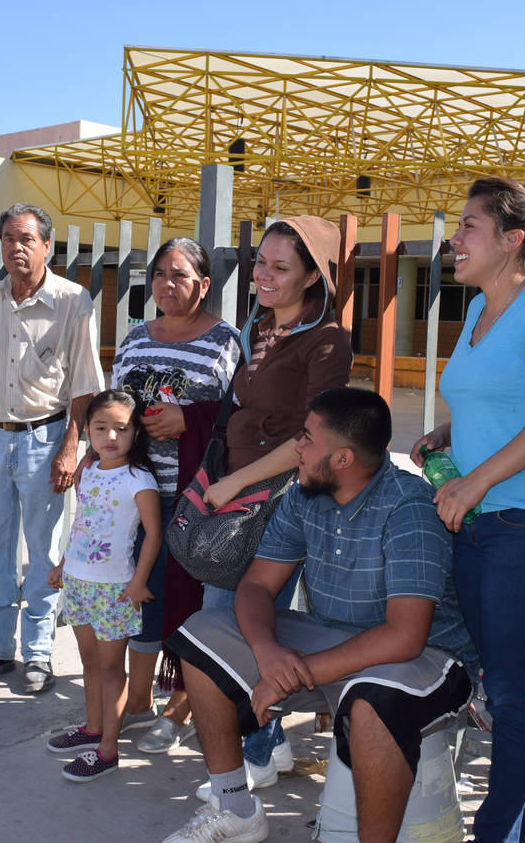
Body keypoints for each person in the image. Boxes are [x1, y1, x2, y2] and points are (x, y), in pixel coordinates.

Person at [162, 388, 477, 843]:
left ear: (343, 459)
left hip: (425, 659)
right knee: (201, 635)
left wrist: (296, 673)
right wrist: (268, 653)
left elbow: (405, 636)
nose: (298, 449)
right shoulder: (303, 495)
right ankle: (234, 807)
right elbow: (256, 586)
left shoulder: (408, 507)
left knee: (372, 703)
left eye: (307, 439)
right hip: (335, 641)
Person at [410, 174, 525, 843]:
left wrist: (476, 481)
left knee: (513, 691)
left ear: (513, 240)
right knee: (509, 688)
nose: (455, 239)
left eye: (469, 226)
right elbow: (503, 400)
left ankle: (502, 831)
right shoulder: (480, 309)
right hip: (478, 522)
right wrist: (449, 434)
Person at [198, 215, 353, 787]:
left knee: (235, 621)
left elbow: (314, 436)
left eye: (280, 267)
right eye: (261, 262)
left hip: (280, 500)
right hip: (241, 493)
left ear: (313, 277)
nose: (263, 274)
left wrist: (236, 483)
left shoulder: (327, 341)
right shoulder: (258, 328)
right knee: (234, 621)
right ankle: (268, 742)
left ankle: (257, 752)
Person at [0, 202, 104, 691]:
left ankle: (38, 654)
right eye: (8, 239)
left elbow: (85, 384)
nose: (16, 248)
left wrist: (70, 448)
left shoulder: (73, 300)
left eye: (26, 239)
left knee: (44, 551)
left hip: (46, 439)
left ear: (47, 246)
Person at [107, 236, 241, 753]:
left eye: (179, 274)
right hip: (134, 494)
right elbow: (115, 405)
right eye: (160, 273)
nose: (166, 283)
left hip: (194, 498)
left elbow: (239, 415)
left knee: (190, 605)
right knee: (141, 597)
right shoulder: (135, 338)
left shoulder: (226, 341)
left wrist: (190, 418)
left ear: (204, 285)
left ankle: (181, 706)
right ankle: (139, 702)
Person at [44, 390, 161, 781]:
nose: (111, 436)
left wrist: (139, 582)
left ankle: (108, 750)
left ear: (135, 433)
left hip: (115, 591)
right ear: (88, 432)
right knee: (90, 662)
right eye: (101, 428)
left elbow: (154, 534)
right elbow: (83, 523)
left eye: (121, 429)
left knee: (112, 670)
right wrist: (64, 565)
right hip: (78, 584)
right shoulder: (89, 470)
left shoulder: (139, 479)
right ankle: (93, 728)